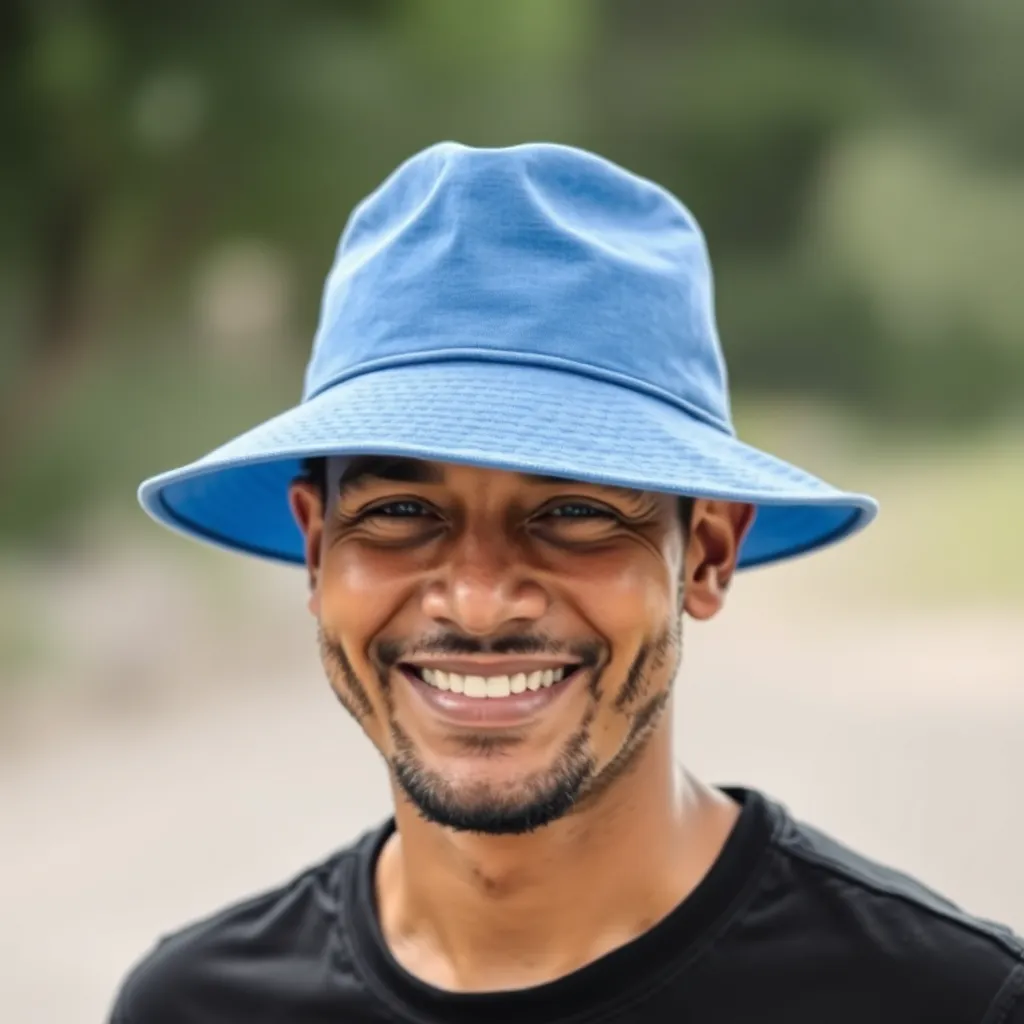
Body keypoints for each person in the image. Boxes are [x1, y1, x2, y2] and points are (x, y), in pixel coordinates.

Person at [110, 142, 1023, 1023]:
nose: (476, 600)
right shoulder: (194, 1007)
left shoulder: (943, 1002)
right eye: (398, 514)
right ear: (316, 553)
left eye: (573, 514)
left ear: (704, 554)